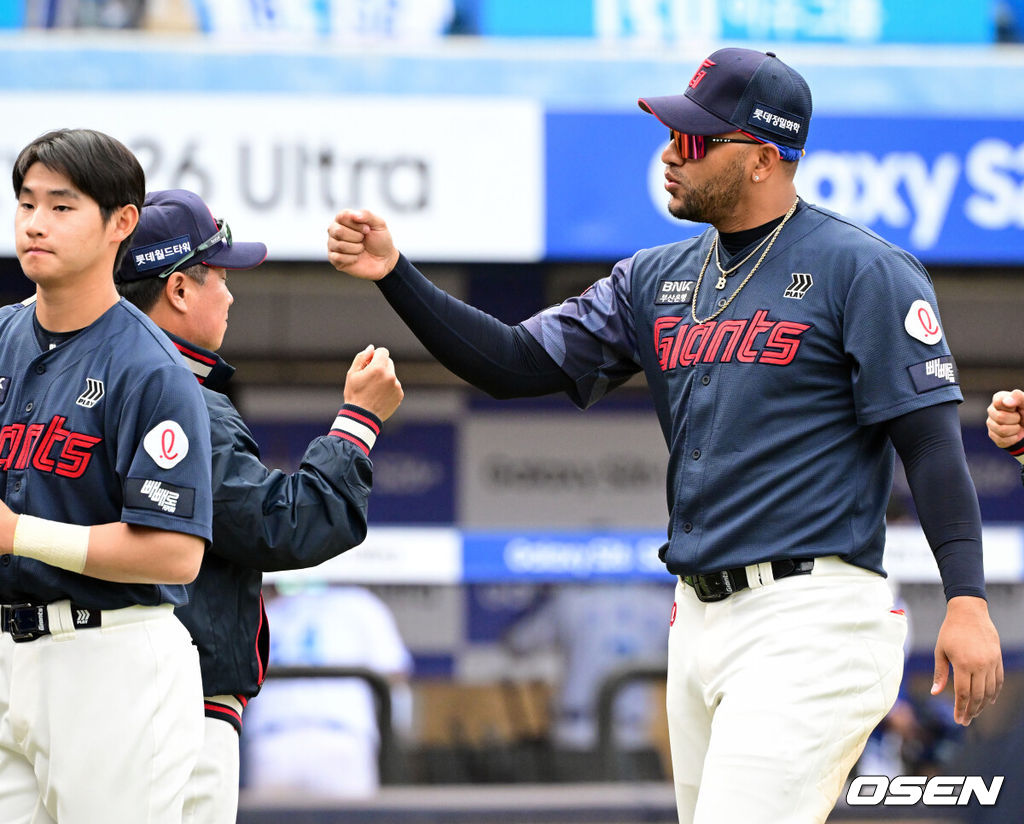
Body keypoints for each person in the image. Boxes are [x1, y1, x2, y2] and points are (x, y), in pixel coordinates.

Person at [326, 48, 1004, 823]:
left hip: (812, 615)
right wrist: (395, 273)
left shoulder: (864, 269)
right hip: (698, 617)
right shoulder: (655, 276)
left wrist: (969, 601)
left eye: (694, 140)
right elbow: (513, 363)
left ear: (760, 158)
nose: (670, 154)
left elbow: (929, 443)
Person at [114, 188, 403, 824]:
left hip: (104, 692)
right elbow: (289, 524)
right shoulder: (182, 399)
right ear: (180, 291)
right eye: (219, 275)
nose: (232, 293)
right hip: (176, 704)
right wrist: (357, 423)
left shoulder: (97, 381)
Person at [0, 130, 214, 822]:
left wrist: (19, 534)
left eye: (62, 207)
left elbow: (175, 551)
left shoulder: (149, 367)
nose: (34, 223)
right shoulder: (2, 333)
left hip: (112, 655)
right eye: (26, 203)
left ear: (122, 222)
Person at [243, 582, 413, 798]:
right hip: (340, 743)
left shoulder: (264, 611)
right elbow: (394, 678)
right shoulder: (360, 603)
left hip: (272, 746)